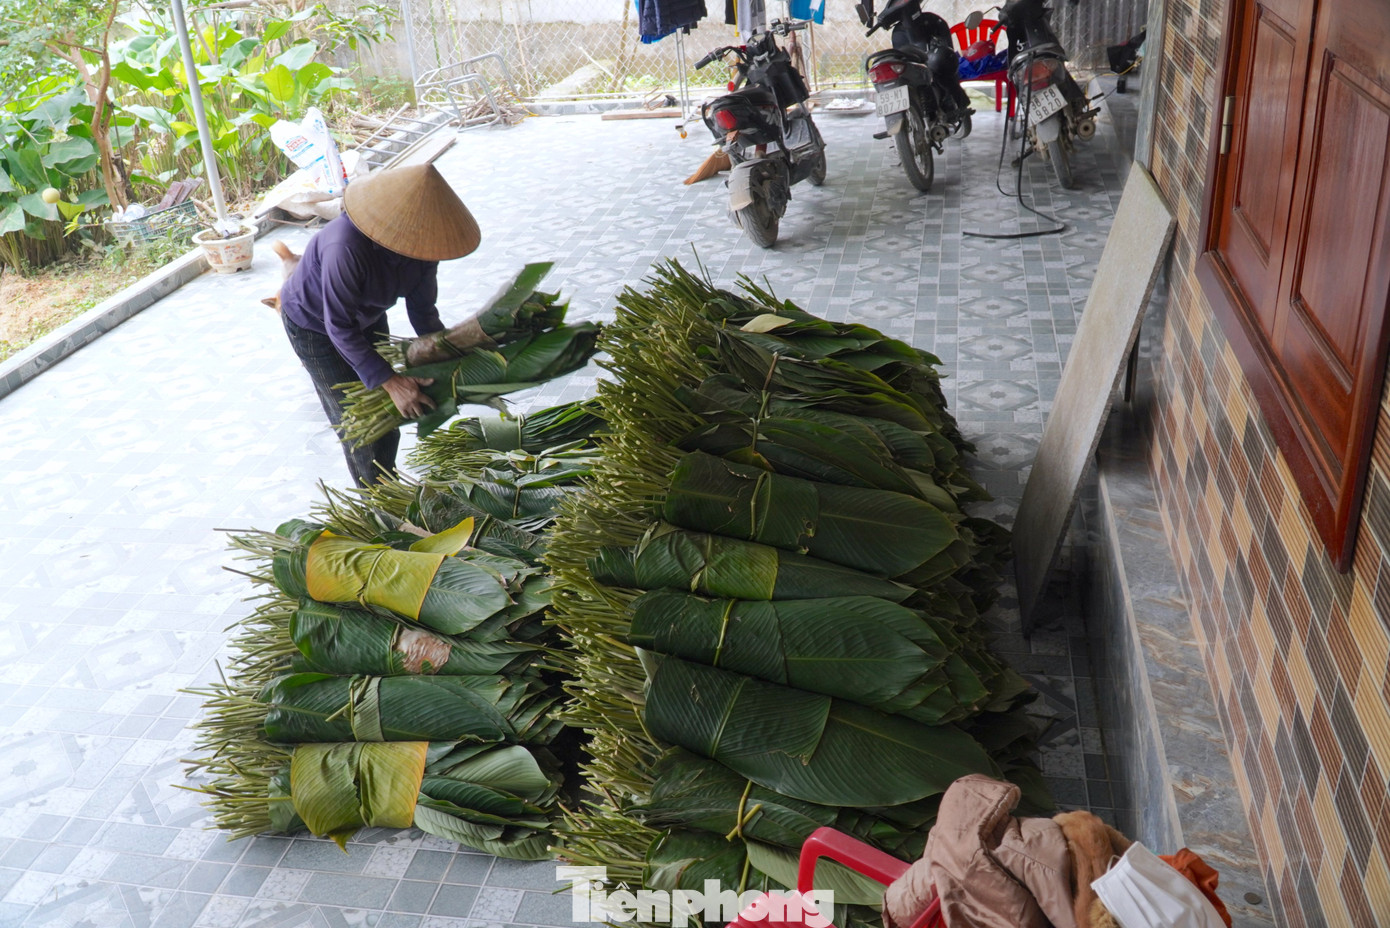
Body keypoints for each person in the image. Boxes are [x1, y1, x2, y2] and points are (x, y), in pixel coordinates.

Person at [277, 163, 481, 486]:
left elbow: (423, 310)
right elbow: (339, 326)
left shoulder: (424, 249)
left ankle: (386, 483)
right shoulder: (345, 246)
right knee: (360, 423)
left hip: (365, 316)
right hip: (315, 324)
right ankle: (377, 501)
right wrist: (391, 381)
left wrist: (446, 353)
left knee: (388, 416)